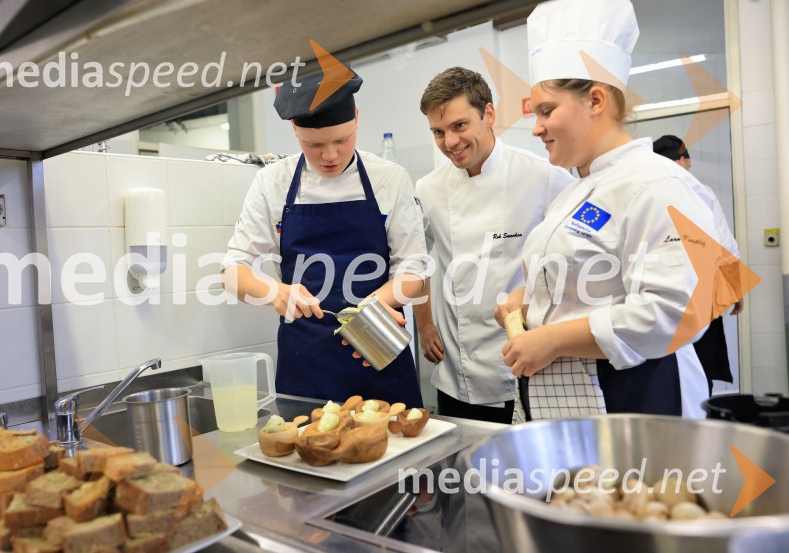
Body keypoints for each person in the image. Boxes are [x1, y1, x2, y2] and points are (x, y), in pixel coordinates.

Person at [493, 0, 722, 419]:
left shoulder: (658, 184)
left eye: (547, 110)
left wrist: (552, 339)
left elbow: (678, 312)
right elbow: (586, 282)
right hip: (572, 406)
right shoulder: (576, 191)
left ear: (595, 100)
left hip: (635, 401)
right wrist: (529, 299)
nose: (537, 127)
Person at [221, 67, 427, 406]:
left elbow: (415, 272)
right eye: (313, 144)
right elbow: (232, 272)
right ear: (294, 130)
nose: (329, 156)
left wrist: (372, 307)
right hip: (306, 366)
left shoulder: (390, 179)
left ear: (357, 118)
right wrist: (274, 292)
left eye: (342, 140)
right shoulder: (272, 182)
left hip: (379, 353)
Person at [414, 67, 573, 423]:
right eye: (438, 132)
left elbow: (576, 265)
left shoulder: (545, 178)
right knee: (467, 474)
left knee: (526, 477)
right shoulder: (428, 188)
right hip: (457, 373)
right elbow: (416, 260)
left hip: (525, 365)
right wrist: (424, 325)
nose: (449, 142)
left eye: (459, 126)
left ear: (488, 114)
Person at [653, 134, 743, 395]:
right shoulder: (700, 192)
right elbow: (724, 243)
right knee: (702, 371)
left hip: (656, 295)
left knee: (661, 368)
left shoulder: (643, 193)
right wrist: (735, 287)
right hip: (701, 296)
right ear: (682, 161)